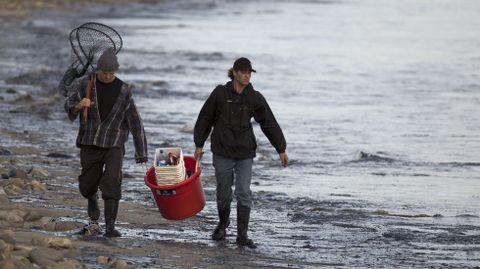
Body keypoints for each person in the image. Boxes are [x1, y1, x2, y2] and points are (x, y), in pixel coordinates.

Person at [194, 57, 288, 248]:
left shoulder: (254, 97)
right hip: (222, 150)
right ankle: (222, 225)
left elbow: (268, 122)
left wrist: (281, 149)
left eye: (249, 73)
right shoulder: (220, 93)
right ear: (235, 73)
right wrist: (199, 144)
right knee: (223, 193)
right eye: (243, 72)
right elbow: (205, 118)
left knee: (244, 192)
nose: (247, 76)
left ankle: (242, 236)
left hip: (245, 153)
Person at [61, 48, 148, 237]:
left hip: (114, 143)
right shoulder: (86, 84)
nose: (108, 76)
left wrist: (141, 153)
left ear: (116, 71)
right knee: (86, 185)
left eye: (112, 73)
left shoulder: (124, 90)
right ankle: (92, 201)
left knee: (112, 182)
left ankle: (110, 227)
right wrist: (79, 105)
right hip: (89, 142)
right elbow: (68, 106)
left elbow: (135, 122)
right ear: (98, 70)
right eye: (104, 72)